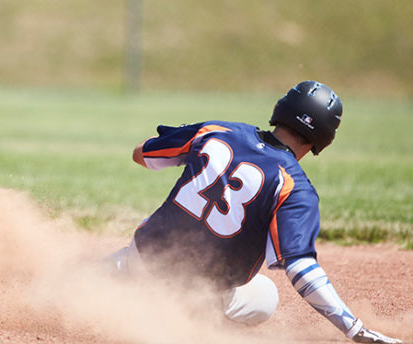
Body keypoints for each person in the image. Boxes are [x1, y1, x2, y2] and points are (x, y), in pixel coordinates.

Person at [109, 81, 401, 343]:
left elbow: (141, 154)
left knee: (132, 250)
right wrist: (354, 329)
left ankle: (112, 274)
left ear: (281, 109)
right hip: (193, 296)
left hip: (142, 258)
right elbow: (300, 267)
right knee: (264, 296)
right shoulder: (295, 188)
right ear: (323, 137)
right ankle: (185, 324)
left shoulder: (217, 131)